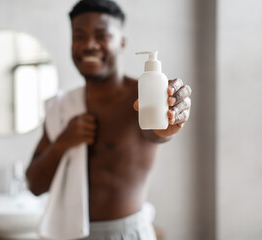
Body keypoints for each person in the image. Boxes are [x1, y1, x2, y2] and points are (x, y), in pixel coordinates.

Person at [26, 0, 192, 239]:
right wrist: (63, 142)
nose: (89, 45)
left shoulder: (143, 95)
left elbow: (156, 132)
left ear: (122, 43)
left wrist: (169, 125)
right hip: (71, 234)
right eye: (79, 36)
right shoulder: (63, 107)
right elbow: (34, 185)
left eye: (102, 35)